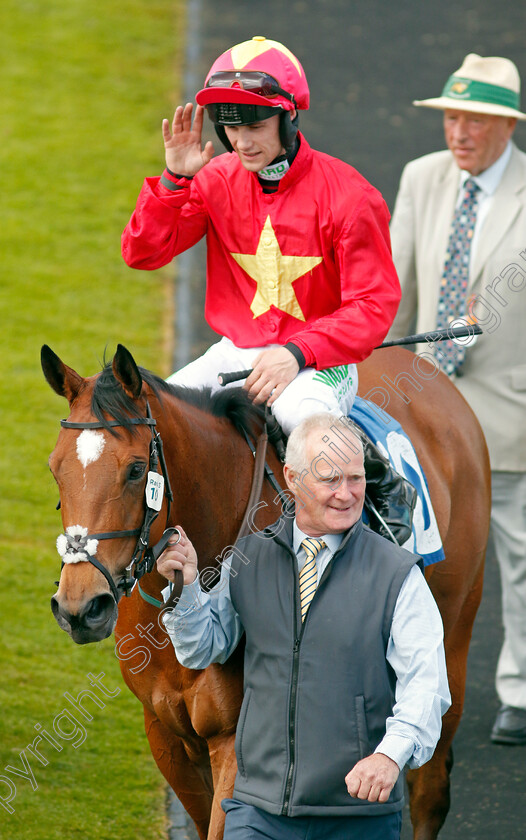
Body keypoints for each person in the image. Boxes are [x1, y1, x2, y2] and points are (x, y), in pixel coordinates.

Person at [121, 35, 417, 544]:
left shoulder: (350, 196)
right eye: (232, 127)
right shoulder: (213, 180)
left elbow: (373, 306)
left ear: (288, 118)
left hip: (319, 360)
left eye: (255, 126)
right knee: (151, 422)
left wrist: (297, 353)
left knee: (309, 432)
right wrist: (174, 180)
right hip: (235, 350)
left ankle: (381, 500)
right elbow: (142, 253)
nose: (242, 142)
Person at [158, 413, 451, 840]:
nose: (347, 494)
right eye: (330, 479)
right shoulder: (247, 559)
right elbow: (203, 648)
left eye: (356, 478)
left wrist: (389, 757)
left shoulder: (397, 574)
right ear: (293, 479)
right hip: (257, 810)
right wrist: (185, 590)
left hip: (357, 817)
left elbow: (427, 684)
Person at [388, 53, 526, 745]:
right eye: (450, 115)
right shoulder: (421, 178)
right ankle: (409, 680)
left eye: (473, 118)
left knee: (520, 557)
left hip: (511, 412)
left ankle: (520, 694)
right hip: (422, 412)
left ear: (506, 126)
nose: (458, 130)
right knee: (412, 554)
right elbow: (397, 290)